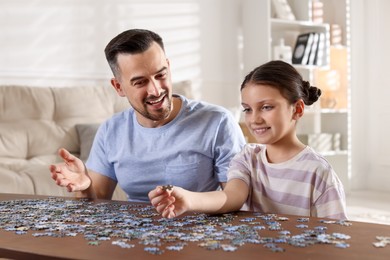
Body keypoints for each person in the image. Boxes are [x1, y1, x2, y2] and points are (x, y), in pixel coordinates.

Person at [49, 29, 246, 202]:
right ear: (118, 87)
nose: (155, 90)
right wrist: (84, 188)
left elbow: (234, 199)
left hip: (201, 235)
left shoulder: (218, 122)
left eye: (161, 75)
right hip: (133, 238)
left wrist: (190, 201)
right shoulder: (111, 130)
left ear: (168, 67)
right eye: (140, 82)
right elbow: (97, 202)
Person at [149, 60, 348, 220]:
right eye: (247, 109)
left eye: (267, 107)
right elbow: (231, 197)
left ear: (297, 109)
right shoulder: (247, 157)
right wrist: (189, 200)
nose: (254, 119)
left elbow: (336, 236)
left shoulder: (319, 173)